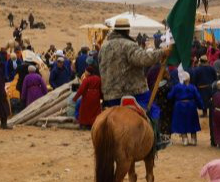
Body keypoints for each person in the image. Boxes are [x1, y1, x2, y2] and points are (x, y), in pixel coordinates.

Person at [98, 17, 168, 145]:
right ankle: (157, 140)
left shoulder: (103, 47)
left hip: (109, 95)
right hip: (133, 92)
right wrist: (162, 52)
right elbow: (144, 59)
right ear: (127, 30)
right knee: (154, 110)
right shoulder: (129, 45)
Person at [167, 72, 203, 145]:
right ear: (188, 78)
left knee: (181, 122)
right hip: (191, 105)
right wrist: (201, 106)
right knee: (192, 122)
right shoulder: (192, 87)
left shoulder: (176, 87)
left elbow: (170, 96)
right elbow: (198, 97)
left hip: (179, 106)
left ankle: (185, 139)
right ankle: (193, 139)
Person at [73, 64, 103, 130]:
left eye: (85, 71)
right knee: (95, 111)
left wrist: (75, 98)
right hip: (96, 97)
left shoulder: (86, 80)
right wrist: (101, 97)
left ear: (88, 72)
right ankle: (94, 124)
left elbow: (81, 89)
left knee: (84, 111)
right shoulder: (98, 79)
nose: (85, 72)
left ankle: (84, 125)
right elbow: (101, 89)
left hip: (87, 96)